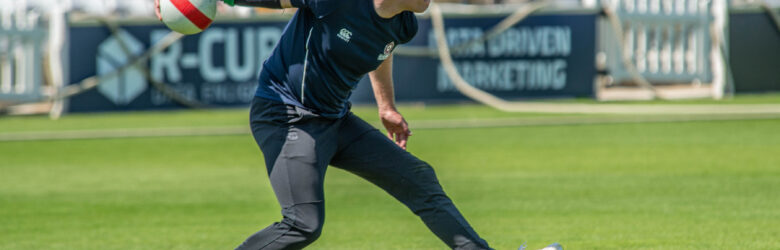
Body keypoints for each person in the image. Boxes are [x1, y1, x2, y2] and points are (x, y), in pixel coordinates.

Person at [156, 0, 493, 249]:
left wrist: (386, 105)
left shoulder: (404, 23)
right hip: (285, 116)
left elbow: (382, 47)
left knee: (419, 179)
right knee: (303, 223)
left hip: (333, 118)